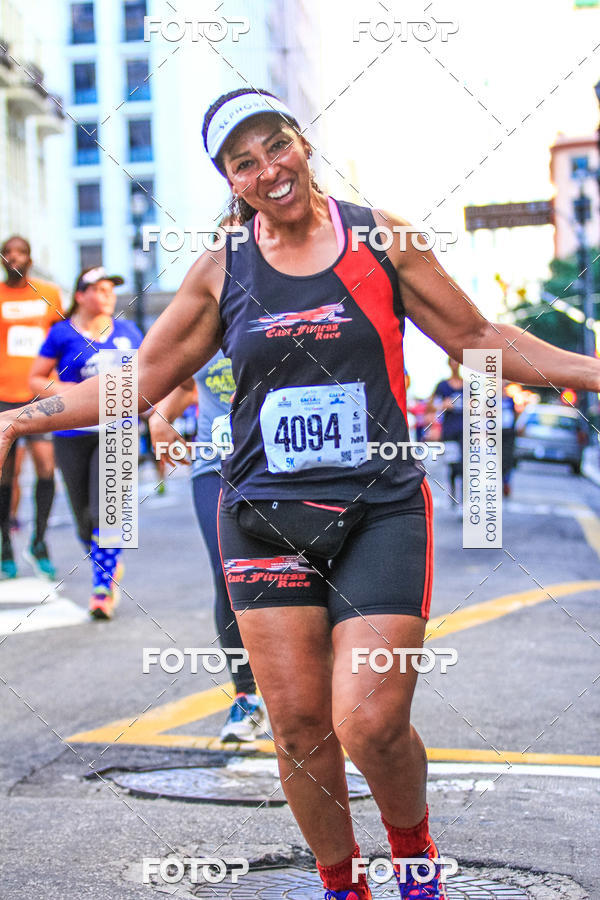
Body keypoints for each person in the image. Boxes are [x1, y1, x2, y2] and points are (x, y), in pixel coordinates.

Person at [1, 88, 600, 900]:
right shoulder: (222, 268)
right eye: (243, 162)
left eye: (276, 146)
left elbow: (478, 340)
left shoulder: (382, 240)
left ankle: (415, 859)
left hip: (378, 510)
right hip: (261, 518)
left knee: (369, 721)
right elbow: (135, 384)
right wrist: (17, 419)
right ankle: (342, 886)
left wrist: (593, 373)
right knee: (298, 728)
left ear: (302, 144)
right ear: (230, 180)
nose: (268, 169)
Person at [148, 352, 267, 742]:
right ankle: (246, 696)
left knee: (295, 572)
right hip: (214, 466)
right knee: (228, 574)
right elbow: (186, 383)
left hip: (278, 462)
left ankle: (311, 690)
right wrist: (161, 415)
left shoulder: (278, 318)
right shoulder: (203, 324)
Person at [28, 267, 142, 619]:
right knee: (83, 519)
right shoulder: (62, 333)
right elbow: (36, 379)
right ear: (80, 295)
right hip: (73, 432)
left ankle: (101, 590)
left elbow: (149, 374)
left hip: (118, 431)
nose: (108, 294)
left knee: (105, 513)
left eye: (111, 289)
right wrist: (73, 393)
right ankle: (106, 563)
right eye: (99, 288)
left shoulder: (128, 332)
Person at [0, 236, 63, 579]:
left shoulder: (49, 294)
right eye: (8, 252)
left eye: (20, 252)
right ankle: (5, 546)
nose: (14, 257)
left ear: (30, 258)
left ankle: (39, 542)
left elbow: (61, 340)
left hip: (40, 393)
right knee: (5, 473)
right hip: (2, 394)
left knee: (46, 467)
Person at [431, 359, 464, 503]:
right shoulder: (442, 385)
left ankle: (462, 497)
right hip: (449, 431)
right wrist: (443, 405)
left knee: (464, 465)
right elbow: (431, 405)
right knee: (452, 464)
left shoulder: (468, 385)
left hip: (465, 431)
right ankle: (453, 494)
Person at [501, 382, 517, 497]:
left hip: (508, 432)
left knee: (507, 459)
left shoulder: (510, 400)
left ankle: (506, 482)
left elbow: (515, 414)